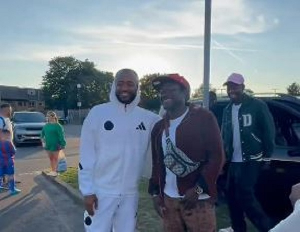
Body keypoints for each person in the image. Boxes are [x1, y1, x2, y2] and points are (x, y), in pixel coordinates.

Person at [78, 68, 161, 232]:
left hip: (130, 194)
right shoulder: (98, 113)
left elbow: (171, 123)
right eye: (120, 83)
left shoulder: (149, 119)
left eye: (130, 84)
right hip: (101, 192)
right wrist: (87, 191)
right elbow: (86, 155)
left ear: (137, 88)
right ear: (114, 86)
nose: (124, 88)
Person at [148, 74, 225, 232]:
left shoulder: (203, 118)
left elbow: (217, 158)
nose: (164, 93)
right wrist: (155, 193)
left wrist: (198, 190)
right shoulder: (158, 127)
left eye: (171, 89)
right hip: (169, 201)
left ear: (185, 93)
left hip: (199, 201)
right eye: (162, 91)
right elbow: (157, 163)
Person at [220, 73, 275, 232]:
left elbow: (268, 131)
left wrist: (267, 157)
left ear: (243, 87)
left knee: (246, 196)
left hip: (252, 159)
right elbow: (224, 134)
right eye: (229, 87)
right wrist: (223, 156)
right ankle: (238, 229)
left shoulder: (257, 105)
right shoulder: (227, 109)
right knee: (231, 197)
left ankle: (267, 228)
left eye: (235, 86)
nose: (232, 90)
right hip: (233, 161)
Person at [0, 103, 21, 195]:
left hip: (6, 147)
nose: (10, 111)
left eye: (10, 110)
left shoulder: (7, 119)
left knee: (2, 170)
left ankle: (3, 185)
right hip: (5, 149)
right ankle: (11, 188)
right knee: (8, 169)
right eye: (8, 110)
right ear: (3, 110)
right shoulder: (1, 120)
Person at [41, 111, 66, 177]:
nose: (50, 117)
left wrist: (63, 144)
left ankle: (56, 171)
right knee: (51, 158)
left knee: (55, 158)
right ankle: (53, 171)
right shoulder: (46, 125)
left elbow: (61, 136)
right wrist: (42, 140)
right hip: (48, 145)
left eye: (51, 115)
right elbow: (42, 134)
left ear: (54, 116)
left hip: (56, 145)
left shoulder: (58, 126)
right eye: (48, 116)